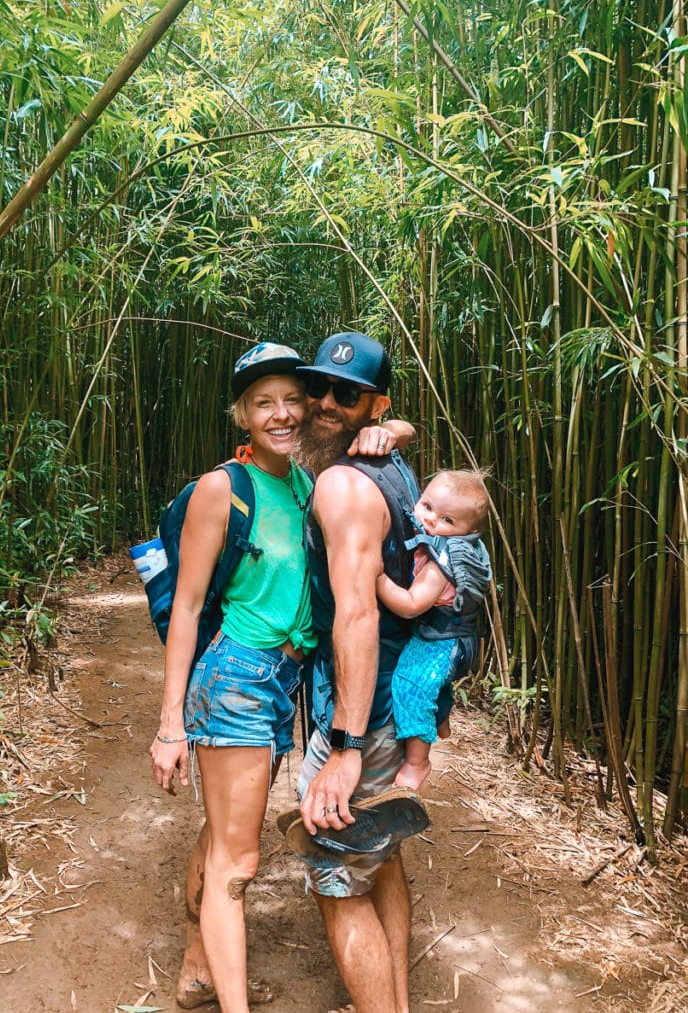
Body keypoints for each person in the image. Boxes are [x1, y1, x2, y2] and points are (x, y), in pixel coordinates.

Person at [149, 341, 413, 1013]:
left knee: (221, 837)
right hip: (236, 675)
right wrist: (170, 724)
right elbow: (186, 608)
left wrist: (395, 426)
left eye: (292, 398)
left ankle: (195, 967)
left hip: (280, 685)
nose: (285, 413)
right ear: (241, 415)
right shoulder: (222, 488)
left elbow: (370, 441)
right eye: (263, 403)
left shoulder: (306, 479)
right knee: (238, 865)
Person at [293, 331, 421, 1013]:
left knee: (335, 876)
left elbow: (357, 619)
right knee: (385, 855)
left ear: (375, 405)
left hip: (361, 712)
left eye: (346, 395)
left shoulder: (342, 485)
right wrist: (395, 428)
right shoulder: (392, 467)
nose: (324, 404)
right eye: (318, 388)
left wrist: (342, 749)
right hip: (398, 702)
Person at [376, 469, 492, 790]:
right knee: (433, 681)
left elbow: (412, 603)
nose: (430, 520)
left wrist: (376, 578)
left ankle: (417, 762)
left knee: (410, 683)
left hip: (442, 640)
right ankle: (440, 719)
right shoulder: (452, 542)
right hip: (456, 637)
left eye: (447, 520)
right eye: (426, 506)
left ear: (469, 530)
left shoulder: (446, 558)